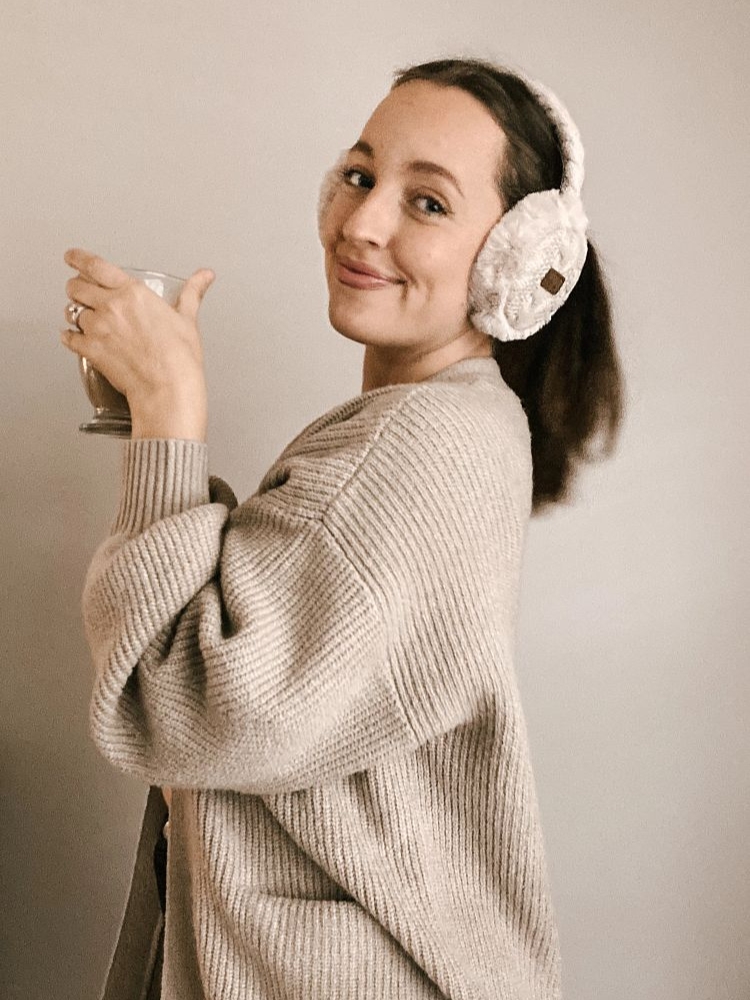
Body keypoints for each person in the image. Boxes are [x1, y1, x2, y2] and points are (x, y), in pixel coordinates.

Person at [61, 57, 623, 1000]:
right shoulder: (449, 427)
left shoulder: (420, 445)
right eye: (360, 175)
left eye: (428, 202)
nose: (363, 222)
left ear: (519, 261)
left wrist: (168, 418)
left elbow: (175, 706)